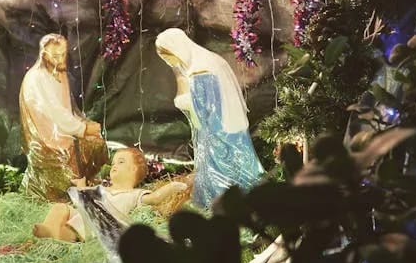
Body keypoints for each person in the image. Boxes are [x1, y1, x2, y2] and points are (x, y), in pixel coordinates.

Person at [155, 28, 264, 208]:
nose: (170, 63)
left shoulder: (201, 69)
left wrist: (181, 98)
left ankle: (224, 202)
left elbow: (204, 106)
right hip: (226, 126)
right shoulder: (208, 61)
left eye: (169, 58)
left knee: (222, 169)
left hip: (217, 131)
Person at [19, 33, 108, 202]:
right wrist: (83, 129)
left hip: (63, 131)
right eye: (56, 56)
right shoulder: (38, 78)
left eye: (63, 54)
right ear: (44, 55)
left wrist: (84, 124)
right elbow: (57, 113)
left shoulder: (59, 74)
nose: (61, 59)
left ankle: (85, 186)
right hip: (48, 138)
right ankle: (72, 194)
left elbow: (68, 110)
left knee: (97, 142)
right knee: (80, 148)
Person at [32, 148, 187, 242]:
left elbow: (155, 198)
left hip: (98, 225)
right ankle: (49, 230)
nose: (114, 166)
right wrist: (81, 186)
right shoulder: (102, 190)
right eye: (113, 163)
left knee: (71, 229)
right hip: (84, 216)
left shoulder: (134, 194)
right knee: (60, 208)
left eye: (120, 162)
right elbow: (85, 198)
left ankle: (55, 235)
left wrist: (172, 186)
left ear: (133, 169)